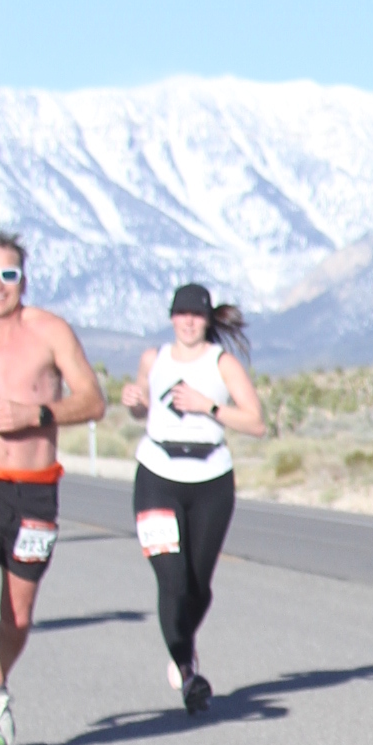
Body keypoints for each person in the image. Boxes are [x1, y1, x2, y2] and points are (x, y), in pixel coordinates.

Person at [119, 284, 265, 712]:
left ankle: (181, 643)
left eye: (196, 315)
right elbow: (142, 408)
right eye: (181, 313)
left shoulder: (222, 364)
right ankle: (187, 673)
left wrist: (209, 406)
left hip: (211, 479)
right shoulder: (154, 358)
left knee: (198, 586)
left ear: (207, 320)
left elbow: (256, 423)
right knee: (173, 578)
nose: (188, 321)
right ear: (171, 317)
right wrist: (134, 402)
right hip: (157, 474)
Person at [0, 228, 107, 745]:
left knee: (17, 615)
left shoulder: (49, 331)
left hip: (34, 493)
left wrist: (35, 413)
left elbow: (93, 402)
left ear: (24, 279)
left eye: (8, 274)